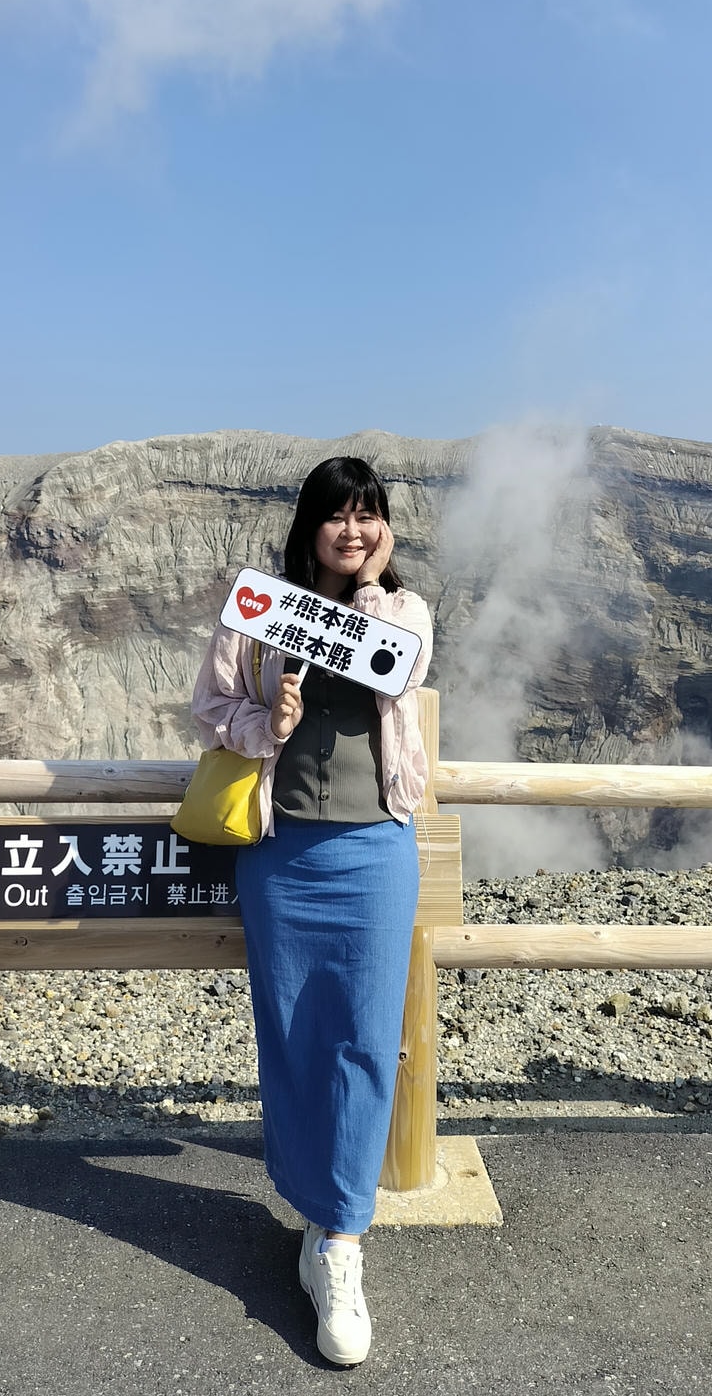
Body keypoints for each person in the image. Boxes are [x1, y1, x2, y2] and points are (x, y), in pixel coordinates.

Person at [190, 455, 433, 1366]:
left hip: (374, 848)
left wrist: (367, 586)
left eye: (369, 516)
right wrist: (273, 726)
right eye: (338, 516)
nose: (353, 530)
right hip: (280, 849)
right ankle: (310, 1211)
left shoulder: (403, 611)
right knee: (291, 1033)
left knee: (366, 1039)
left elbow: (398, 670)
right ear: (309, 524)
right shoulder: (256, 612)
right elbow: (211, 708)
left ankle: (343, 1242)